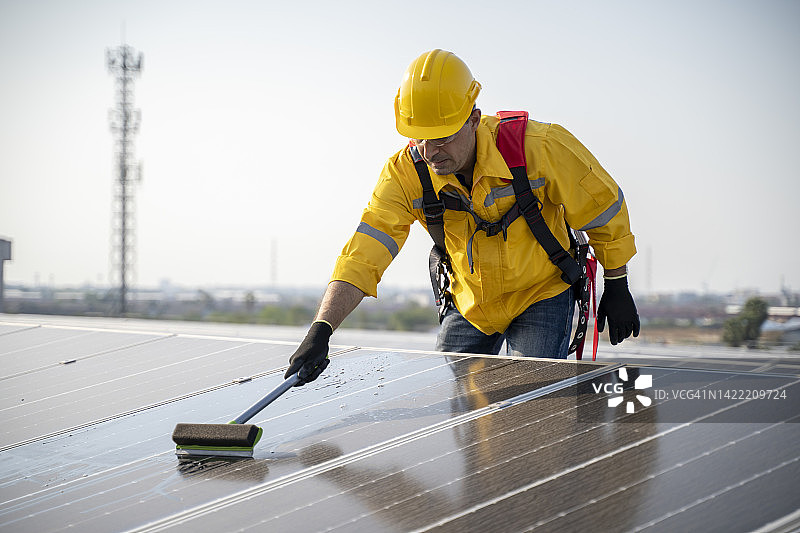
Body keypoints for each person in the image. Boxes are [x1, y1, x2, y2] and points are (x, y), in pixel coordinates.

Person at [285, 49, 639, 385]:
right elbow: (366, 250)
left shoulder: (540, 147)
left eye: (442, 137)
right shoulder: (405, 174)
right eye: (419, 138)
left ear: (473, 118)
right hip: (471, 304)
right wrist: (322, 328)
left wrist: (617, 282)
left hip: (541, 293)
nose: (430, 152)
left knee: (528, 398)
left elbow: (604, 210)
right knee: (457, 409)